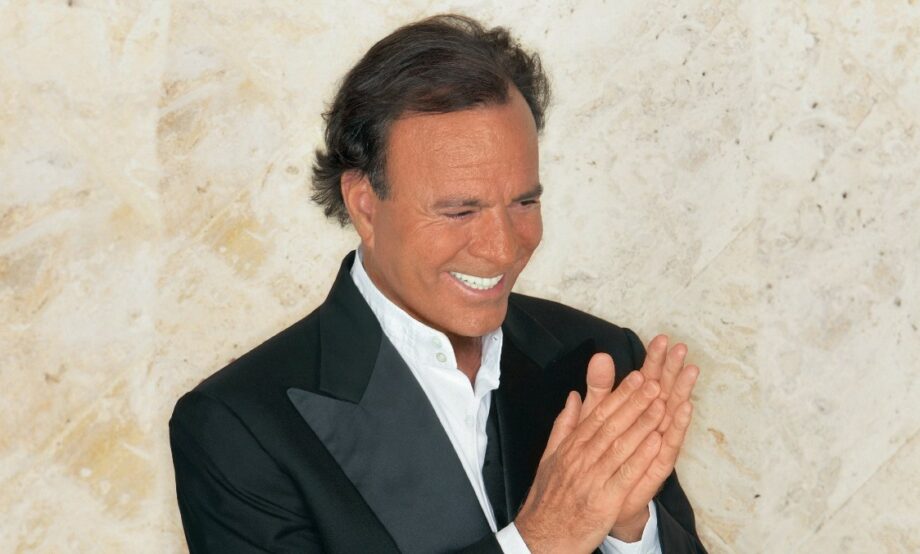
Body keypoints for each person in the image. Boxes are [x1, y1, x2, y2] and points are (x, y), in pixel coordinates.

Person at [170, 14, 706, 554]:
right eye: (459, 211)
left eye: (524, 202)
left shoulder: (603, 360)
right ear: (365, 206)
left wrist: (628, 532)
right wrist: (543, 538)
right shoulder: (238, 427)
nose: (503, 248)